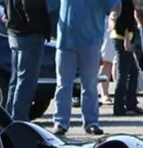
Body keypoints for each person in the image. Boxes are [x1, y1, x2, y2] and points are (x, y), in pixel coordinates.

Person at [52, 0, 122, 136]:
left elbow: (115, 4)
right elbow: (48, 6)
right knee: (63, 84)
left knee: (89, 84)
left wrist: (113, 17)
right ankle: (60, 122)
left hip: (90, 40)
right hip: (65, 40)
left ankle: (91, 123)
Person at [3, 0, 53, 121]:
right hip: (29, 35)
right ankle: (19, 118)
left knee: (16, 80)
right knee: (26, 81)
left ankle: (8, 118)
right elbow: (31, 7)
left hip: (14, 33)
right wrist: (40, 29)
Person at [110, 0, 143, 115]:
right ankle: (119, 107)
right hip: (122, 37)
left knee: (133, 72)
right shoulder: (125, 2)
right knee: (123, 74)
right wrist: (126, 39)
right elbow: (123, 19)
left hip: (122, 37)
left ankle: (131, 104)